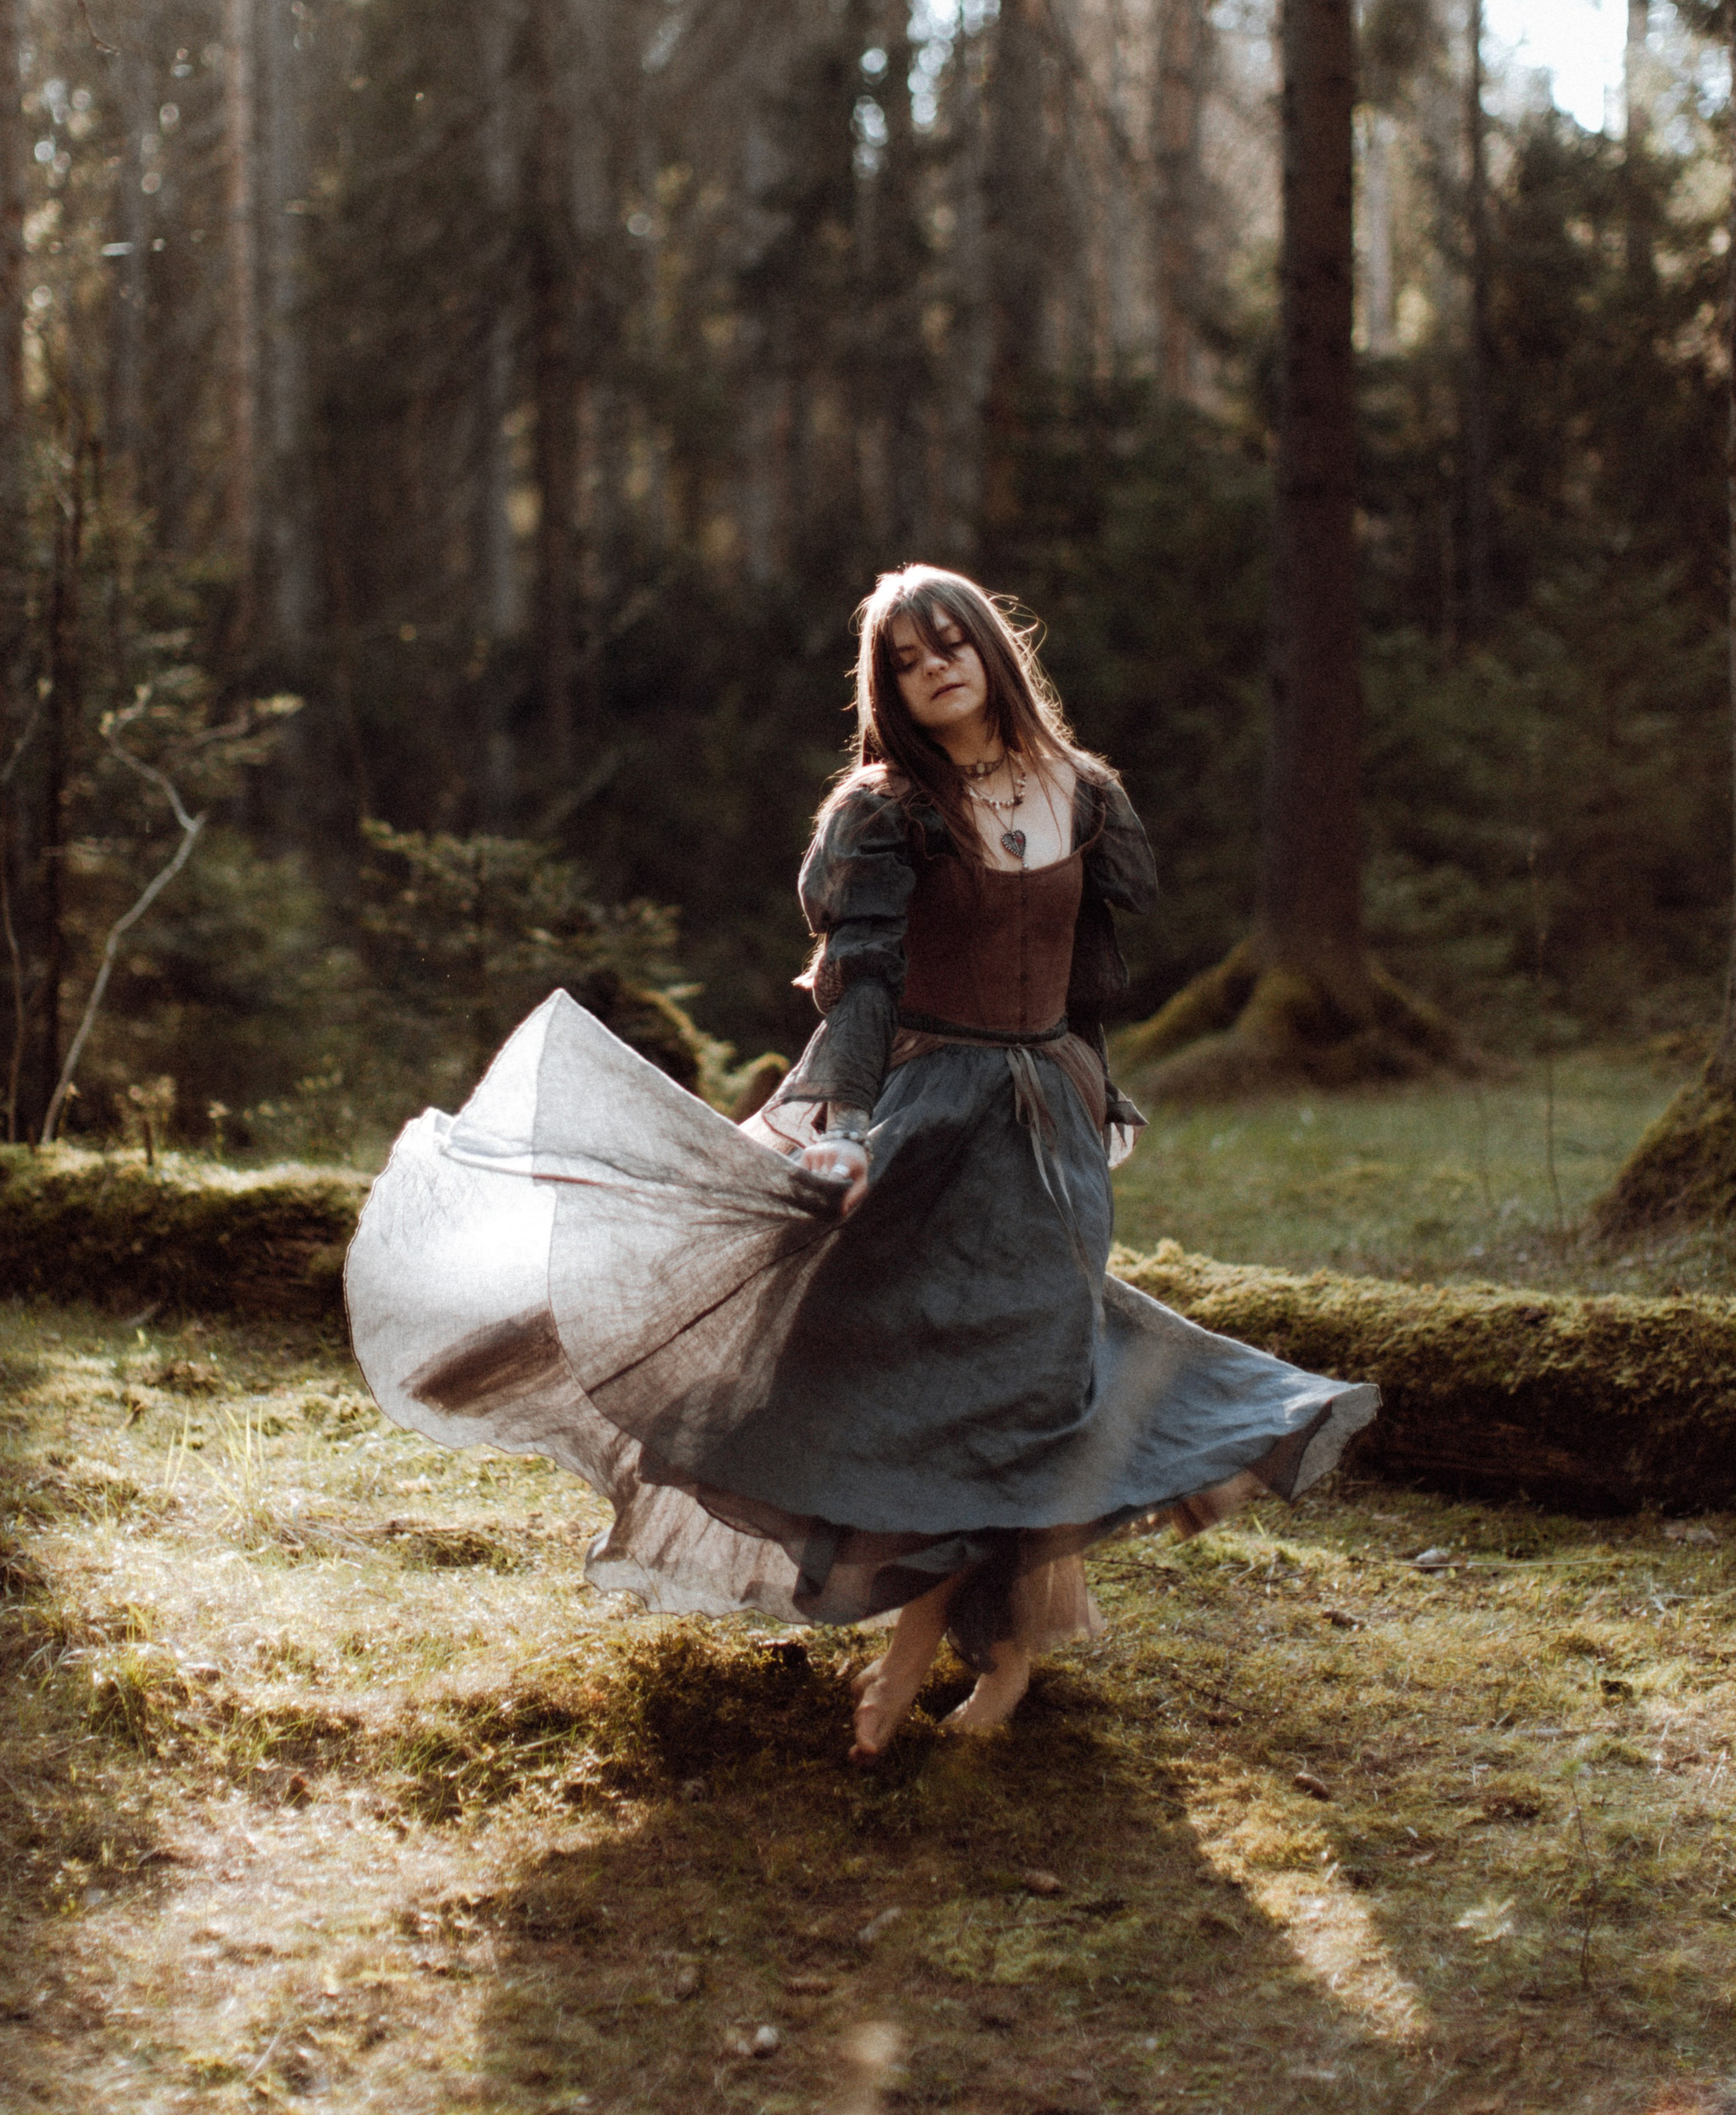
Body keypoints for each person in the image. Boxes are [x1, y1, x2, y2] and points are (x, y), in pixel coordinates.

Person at [346, 566, 1377, 1763]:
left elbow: (1090, 979)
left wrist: (1104, 1094)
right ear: (887, 685)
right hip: (933, 1114)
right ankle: (923, 1655)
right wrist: (838, 1124)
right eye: (908, 657)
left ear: (995, 651)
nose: (937, 665)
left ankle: (1003, 1652)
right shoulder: (886, 813)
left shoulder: (1085, 796)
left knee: (1040, 1383)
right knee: (912, 1385)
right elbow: (867, 985)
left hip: (1055, 1117)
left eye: (955, 643)